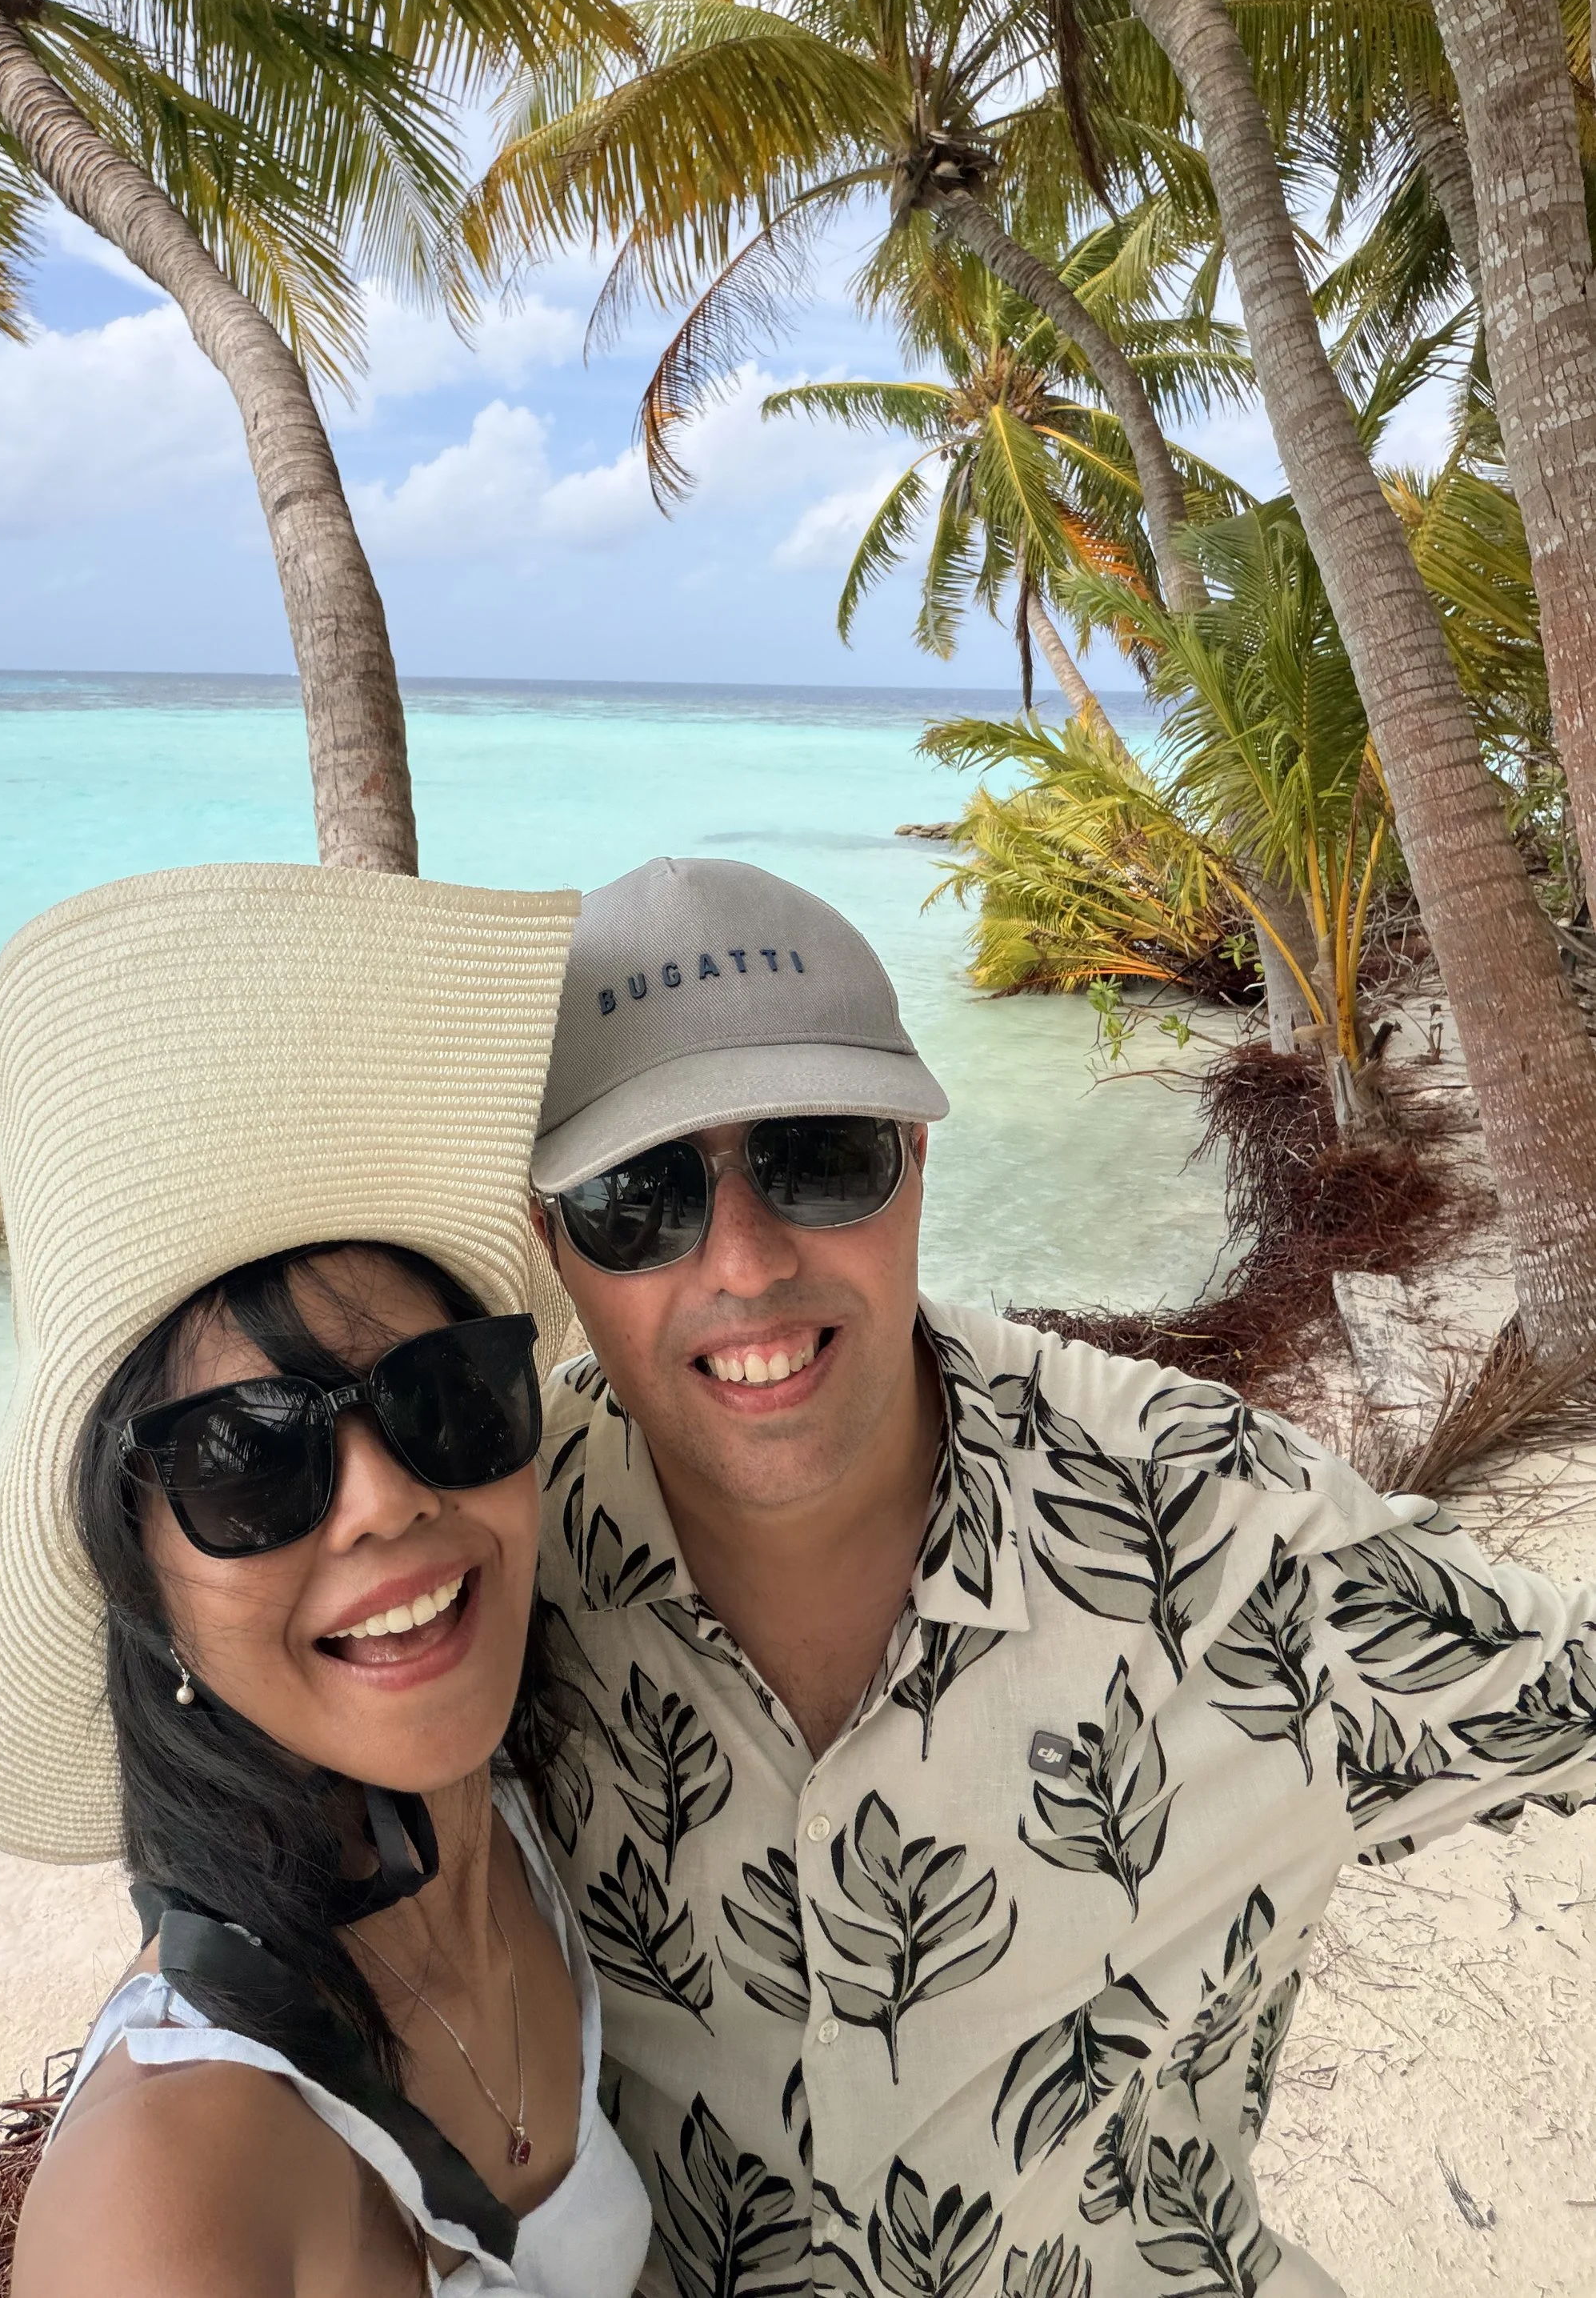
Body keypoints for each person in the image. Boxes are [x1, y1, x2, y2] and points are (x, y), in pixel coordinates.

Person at [527, 855, 1596, 2298]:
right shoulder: (496, 1557)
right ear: (552, 1248)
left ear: (917, 1157)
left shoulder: (1207, 1533)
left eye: (817, 1155)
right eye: (637, 1198)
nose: (744, 1260)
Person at [0, 862, 651, 2298]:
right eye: (247, 1461)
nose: (384, 1503)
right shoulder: (175, 2200)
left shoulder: (514, 1825)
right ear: (144, 1579)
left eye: (443, 1397)